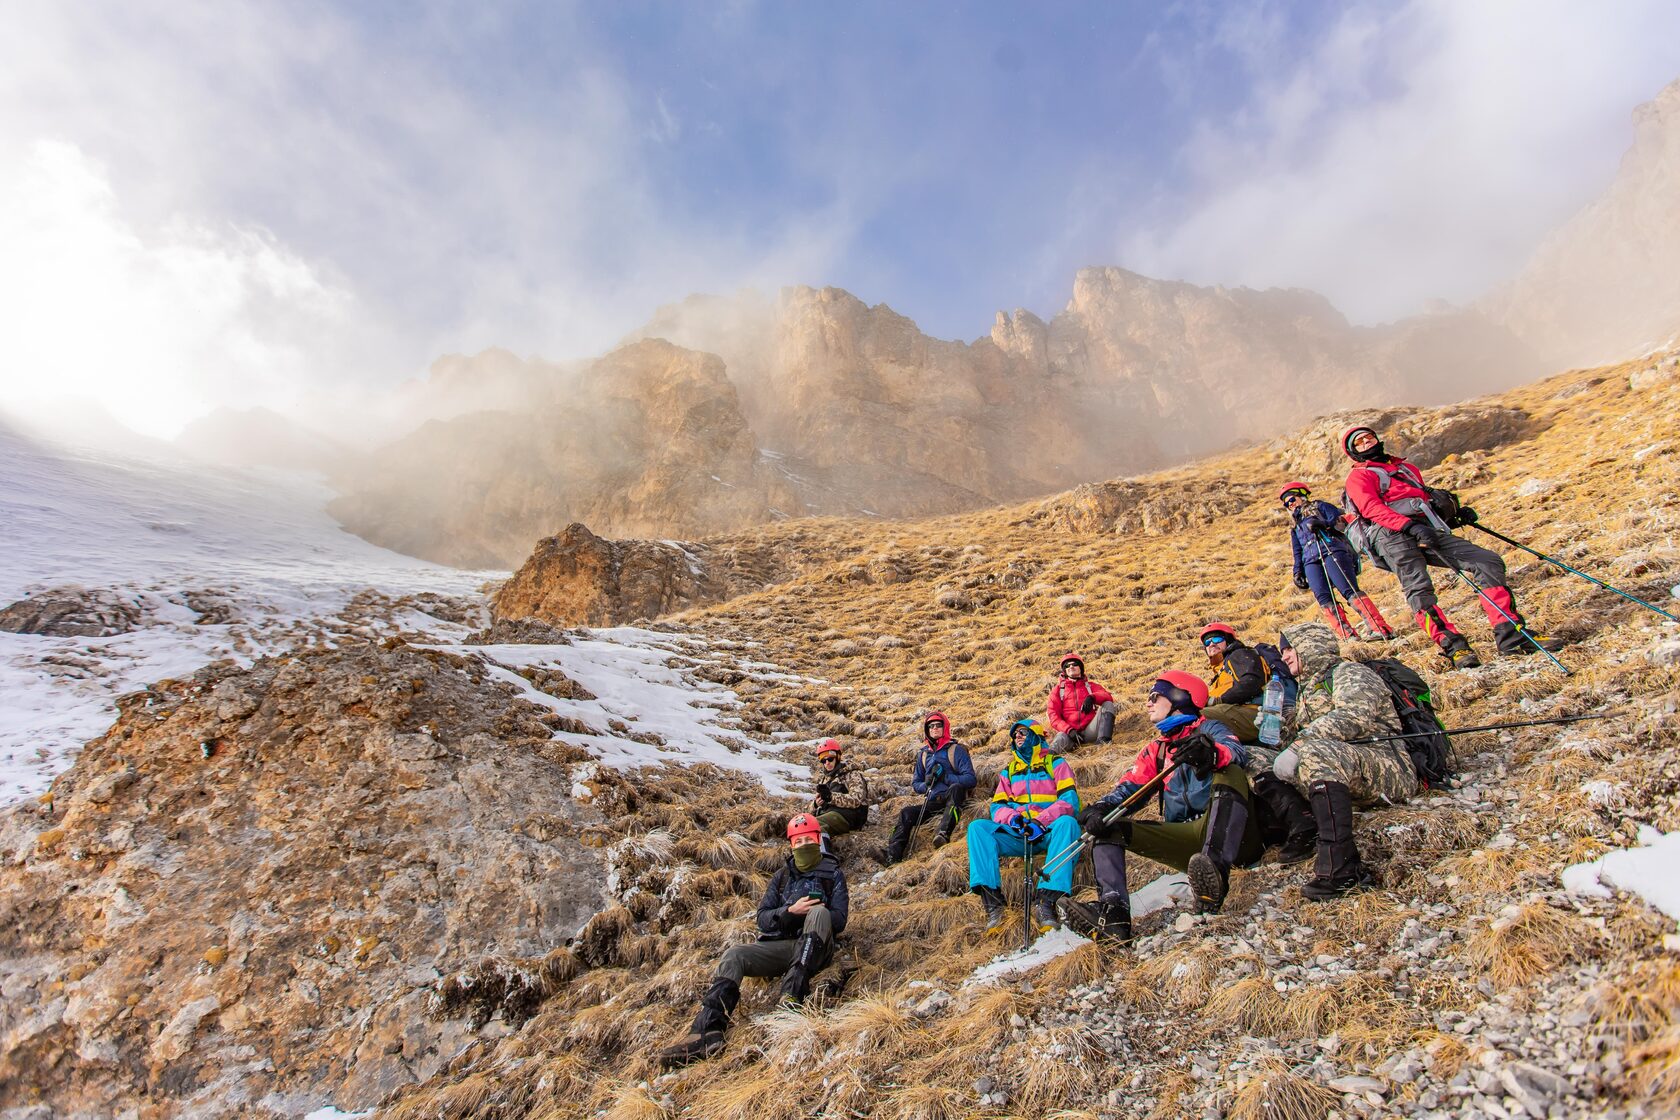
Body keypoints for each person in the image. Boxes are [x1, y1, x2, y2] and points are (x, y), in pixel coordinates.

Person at [1341, 424, 1564, 669]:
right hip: (1390, 536)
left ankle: (1511, 636)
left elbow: (1420, 503)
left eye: (1368, 437)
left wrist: (1452, 517)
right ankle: (1454, 647)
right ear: (1353, 452)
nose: (1367, 443)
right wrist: (1408, 526)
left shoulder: (1406, 468)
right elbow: (1371, 509)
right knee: (1419, 589)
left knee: (1486, 561)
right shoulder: (1359, 476)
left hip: (1425, 529)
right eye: (1359, 443)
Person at [657, 814, 849, 1067]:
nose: (803, 845)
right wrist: (790, 911)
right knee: (734, 955)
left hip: (817, 947)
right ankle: (708, 1030)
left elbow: (839, 919)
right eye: (798, 841)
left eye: (808, 839)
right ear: (791, 845)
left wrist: (814, 911)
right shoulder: (782, 877)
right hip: (783, 947)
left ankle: (792, 996)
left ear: (817, 839)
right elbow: (763, 918)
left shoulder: (832, 873)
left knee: (819, 912)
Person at [1078, 672, 1263, 930]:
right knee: (1107, 827)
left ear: (1179, 697)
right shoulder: (1158, 749)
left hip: (1235, 837)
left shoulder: (1209, 728)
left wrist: (1209, 754)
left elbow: (1234, 751)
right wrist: (1100, 808)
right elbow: (1131, 788)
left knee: (1229, 770)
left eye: (1155, 696)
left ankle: (1215, 874)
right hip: (1189, 843)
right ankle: (1114, 916)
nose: (1148, 703)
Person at [1270, 621, 1416, 899]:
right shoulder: (1306, 692)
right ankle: (1302, 827)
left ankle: (1342, 869)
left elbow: (1354, 717)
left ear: (1310, 646)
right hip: (1345, 770)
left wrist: (1301, 743)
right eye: (1283, 650)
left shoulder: (1350, 672)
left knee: (1315, 752)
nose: (1284, 656)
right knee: (1260, 759)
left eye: (1290, 648)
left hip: (1387, 766)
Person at [966, 719, 1082, 933]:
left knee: (1068, 824)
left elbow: (1069, 801)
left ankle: (1046, 901)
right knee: (978, 829)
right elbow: (997, 807)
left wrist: (1041, 821)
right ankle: (993, 904)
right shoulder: (1008, 772)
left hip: (1048, 831)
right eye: (1015, 735)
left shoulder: (1056, 763)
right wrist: (1014, 820)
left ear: (1036, 736)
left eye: (1022, 732)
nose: (1017, 737)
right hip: (1019, 834)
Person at [1279, 482, 1396, 640]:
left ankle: (1379, 627)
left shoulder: (1320, 506)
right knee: (1323, 597)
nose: (1290, 504)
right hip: (1310, 561)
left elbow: (1337, 520)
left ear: (1301, 495)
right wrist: (1297, 571)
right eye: (1286, 503)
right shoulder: (1295, 526)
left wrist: (1322, 524)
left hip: (1331, 549)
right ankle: (1348, 635)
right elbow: (1297, 551)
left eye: (1291, 499)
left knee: (1348, 589)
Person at [884, 711, 977, 864]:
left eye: (938, 725)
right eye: (930, 726)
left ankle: (943, 833)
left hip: (952, 798)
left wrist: (946, 778)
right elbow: (916, 783)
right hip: (932, 801)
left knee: (956, 788)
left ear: (945, 727)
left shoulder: (956, 750)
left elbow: (970, 779)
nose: (934, 728)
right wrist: (926, 784)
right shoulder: (923, 754)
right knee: (906, 813)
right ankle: (892, 855)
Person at [1197, 622, 1270, 743]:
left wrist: (1218, 700)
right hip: (1237, 714)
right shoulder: (1221, 672)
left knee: (1193, 719)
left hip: (1254, 714)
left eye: (1217, 639)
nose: (1212, 644)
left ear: (1229, 641)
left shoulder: (1240, 654)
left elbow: (1251, 682)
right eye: (1207, 642)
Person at [1045, 652, 1116, 752]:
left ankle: (1103, 744)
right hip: (1070, 735)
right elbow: (1053, 716)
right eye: (1067, 665)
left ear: (1081, 668)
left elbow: (1108, 697)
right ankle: (1046, 763)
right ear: (1064, 670)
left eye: (1074, 664)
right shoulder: (1057, 690)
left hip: (1090, 731)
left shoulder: (1090, 686)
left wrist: (1092, 697)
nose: (1071, 667)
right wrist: (1069, 730)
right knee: (1058, 740)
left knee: (1108, 704)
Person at [809, 738, 873, 837]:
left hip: (849, 817)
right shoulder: (825, 779)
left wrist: (831, 797)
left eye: (830, 759)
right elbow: (811, 808)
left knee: (813, 826)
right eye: (823, 760)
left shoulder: (851, 774)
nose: (827, 763)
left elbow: (856, 800)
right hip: (829, 814)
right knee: (802, 826)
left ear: (838, 757)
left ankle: (822, 851)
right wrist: (815, 804)